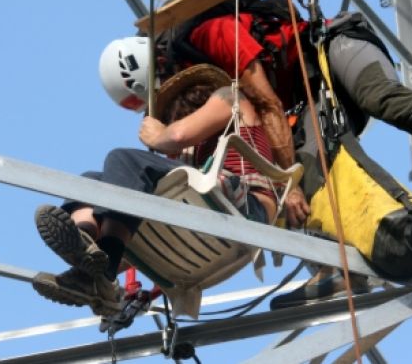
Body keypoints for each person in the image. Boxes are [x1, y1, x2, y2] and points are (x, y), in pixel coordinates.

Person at [149, 0, 412, 307]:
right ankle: (335, 268)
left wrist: (288, 182)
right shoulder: (215, 67)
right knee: (305, 167)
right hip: (313, 93)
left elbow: (267, 105)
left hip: (335, 47)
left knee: (381, 99)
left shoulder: (209, 34)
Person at [32, 49, 281, 315]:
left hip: (247, 209)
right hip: (211, 214)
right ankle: (87, 252)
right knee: (91, 182)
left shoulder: (229, 98)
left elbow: (178, 134)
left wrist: (159, 136)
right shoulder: (194, 158)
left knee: (122, 159)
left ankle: (100, 263)